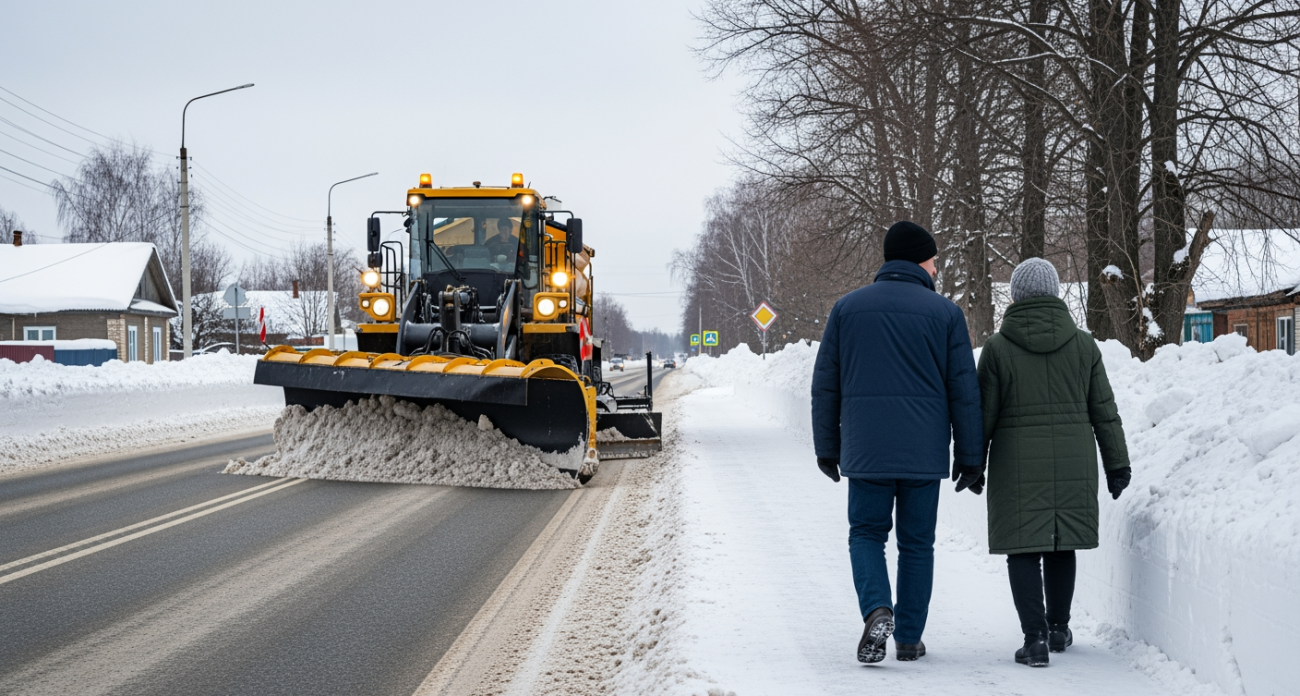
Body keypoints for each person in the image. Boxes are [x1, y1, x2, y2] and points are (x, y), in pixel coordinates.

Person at [811, 220, 985, 664]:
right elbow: (964, 391)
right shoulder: (946, 314)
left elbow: (826, 384)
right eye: (932, 259)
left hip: (867, 450)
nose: (935, 267)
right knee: (917, 544)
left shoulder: (847, 309)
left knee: (866, 534)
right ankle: (908, 637)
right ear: (919, 260)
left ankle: (877, 609)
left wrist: (827, 445)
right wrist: (971, 457)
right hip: (923, 455)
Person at [977, 257, 1131, 667]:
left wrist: (972, 463)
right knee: (1062, 544)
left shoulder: (997, 348)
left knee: (1024, 548)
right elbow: (1104, 410)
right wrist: (1117, 463)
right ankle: (1059, 628)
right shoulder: (1083, 345)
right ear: (1056, 292)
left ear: (1015, 296)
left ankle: (1035, 638)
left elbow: (983, 415)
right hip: (1073, 461)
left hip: (1016, 465)